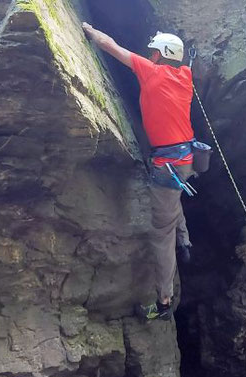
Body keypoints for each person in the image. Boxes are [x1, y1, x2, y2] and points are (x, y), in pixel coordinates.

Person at [82, 23, 195, 321]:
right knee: (174, 197)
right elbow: (182, 61)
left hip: (166, 166)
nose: (151, 54)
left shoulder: (151, 71)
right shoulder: (186, 77)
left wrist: (90, 30)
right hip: (186, 160)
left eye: (154, 51)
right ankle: (185, 239)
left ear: (160, 55)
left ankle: (164, 299)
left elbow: (111, 45)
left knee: (161, 233)